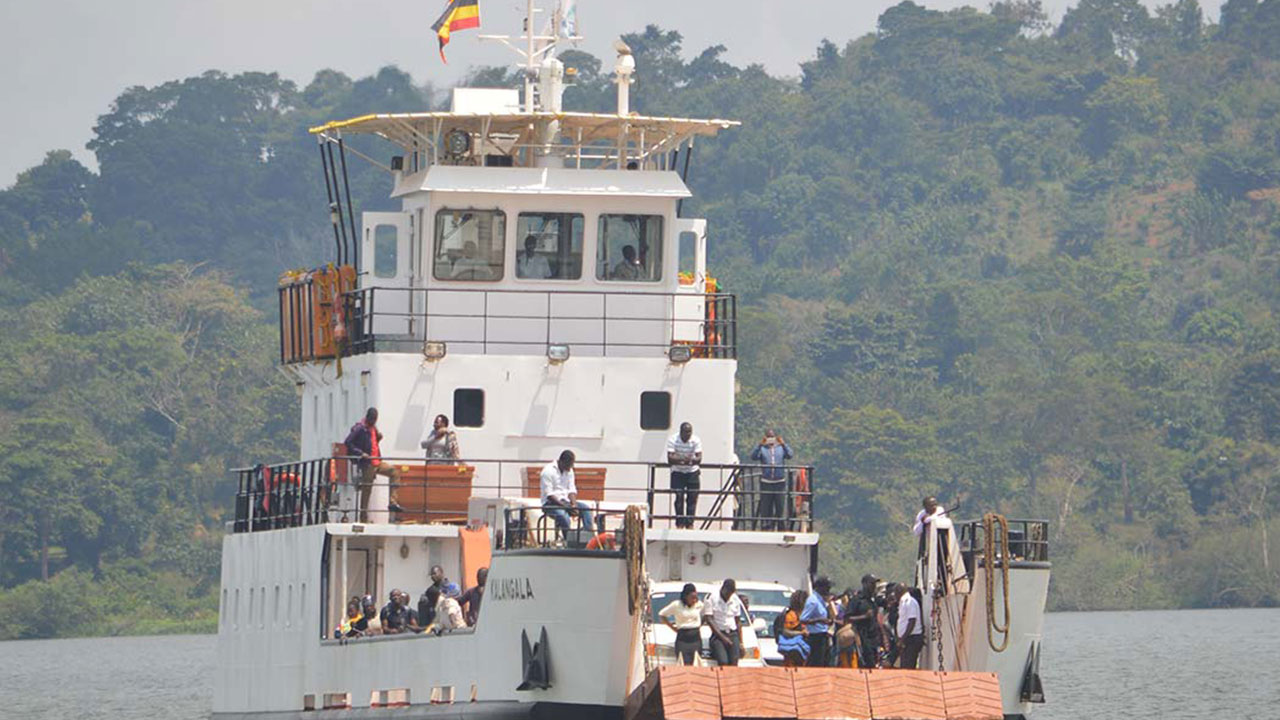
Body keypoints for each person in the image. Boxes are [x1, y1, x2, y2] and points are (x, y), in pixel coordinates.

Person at [344, 407, 402, 519]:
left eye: (375, 419)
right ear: (368, 417)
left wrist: (378, 438)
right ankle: (363, 516)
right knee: (367, 489)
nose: (374, 421)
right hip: (367, 463)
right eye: (372, 419)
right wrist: (361, 453)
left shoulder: (373, 428)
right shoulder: (360, 428)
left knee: (394, 472)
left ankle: (392, 502)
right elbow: (348, 442)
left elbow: (373, 443)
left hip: (377, 461)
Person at [540, 450, 594, 533]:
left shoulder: (569, 470)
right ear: (562, 462)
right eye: (569, 464)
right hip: (550, 504)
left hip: (566, 502)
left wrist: (574, 504)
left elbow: (571, 489)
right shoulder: (548, 471)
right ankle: (568, 540)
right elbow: (549, 495)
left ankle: (587, 536)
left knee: (586, 509)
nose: (571, 467)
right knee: (563, 515)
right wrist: (566, 507)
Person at [750, 430, 793, 530]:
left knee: (780, 507)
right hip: (766, 482)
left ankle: (781, 528)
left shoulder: (780, 449)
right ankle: (766, 527)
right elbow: (753, 456)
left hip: (779, 482)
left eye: (772, 437)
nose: (771, 439)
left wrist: (783, 444)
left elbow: (790, 455)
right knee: (766, 507)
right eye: (768, 437)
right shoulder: (763, 449)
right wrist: (760, 445)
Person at [845, 574, 889, 669]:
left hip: (874, 637)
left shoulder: (873, 599)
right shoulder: (857, 600)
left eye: (875, 584)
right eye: (871, 583)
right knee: (866, 663)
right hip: (862, 637)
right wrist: (864, 616)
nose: (874, 586)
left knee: (875, 662)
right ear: (864, 584)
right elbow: (847, 618)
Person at [666, 422, 702, 529]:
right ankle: (680, 523)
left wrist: (681, 460)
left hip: (692, 472)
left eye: (689, 432)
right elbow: (670, 459)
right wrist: (687, 460)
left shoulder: (695, 440)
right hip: (678, 472)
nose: (688, 434)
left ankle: (690, 523)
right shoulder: (673, 440)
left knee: (692, 498)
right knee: (679, 497)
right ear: (681, 432)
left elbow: (699, 459)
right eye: (686, 432)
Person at [657, 583, 704, 665]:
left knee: (696, 663)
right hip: (683, 639)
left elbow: (707, 614)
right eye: (692, 597)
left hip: (695, 639)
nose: (694, 600)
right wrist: (672, 627)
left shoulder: (699, 605)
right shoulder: (676, 605)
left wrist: (701, 624)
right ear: (685, 596)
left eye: (695, 597)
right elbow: (662, 614)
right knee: (683, 662)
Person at [702, 578, 745, 667]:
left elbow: (738, 621)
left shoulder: (735, 599)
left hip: (733, 634)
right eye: (727, 593)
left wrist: (741, 642)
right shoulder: (711, 598)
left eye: (731, 593)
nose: (729, 596)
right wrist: (723, 638)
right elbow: (709, 619)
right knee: (723, 661)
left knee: (734, 661)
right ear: (723, 589)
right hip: (718, 635)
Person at [800, 575, 834, 667]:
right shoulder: (813, 601)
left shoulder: (821, 600)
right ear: (820, 587)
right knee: (815, 663)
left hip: (822, 636)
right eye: (827, 587)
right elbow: (803, 619)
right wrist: (819, 620)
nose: (828, 589)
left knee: (824, 663)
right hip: (815, 638)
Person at [776, 589, 811, 667]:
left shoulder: (802, 615)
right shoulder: (791, 615)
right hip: (792, 654)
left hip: (801, 654)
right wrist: (801, 633)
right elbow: (785, 632)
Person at [895, 585, 925, 669]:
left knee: (908, 666)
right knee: (904, 665)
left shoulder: (909, 602)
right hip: (907, 638)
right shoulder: (903, 602)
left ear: (899, 592)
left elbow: (912, 621)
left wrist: (902, 638)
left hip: (912, 638)